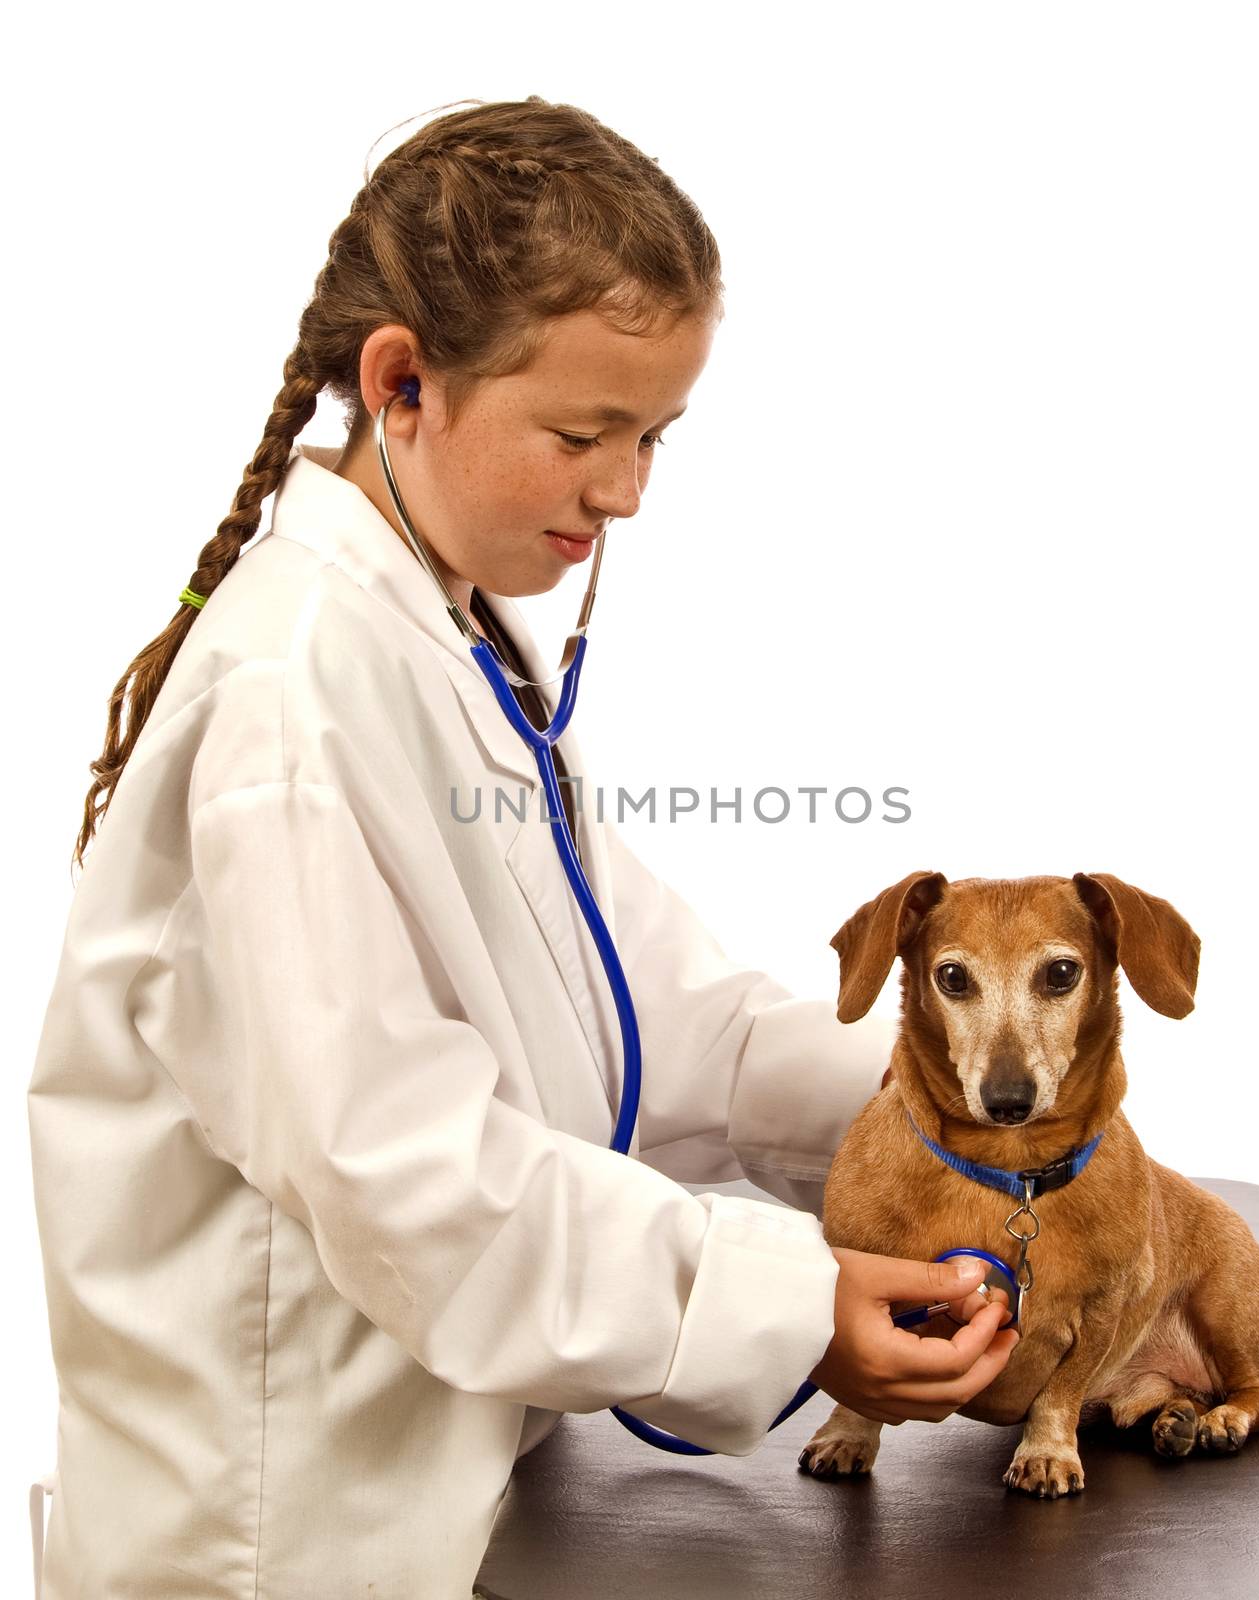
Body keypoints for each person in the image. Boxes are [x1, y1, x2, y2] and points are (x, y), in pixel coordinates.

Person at [26, 96, 1018, 1600]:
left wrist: (972, 1123)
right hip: (283, 1549)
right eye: (581, 434)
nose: (624, 493)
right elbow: (402, 1173)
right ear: (402, 382)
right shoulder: (294, 696)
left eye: (653, 436)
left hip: (447, 1496)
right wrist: (791, 1309)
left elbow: (646, 1018)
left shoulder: (438, 639)